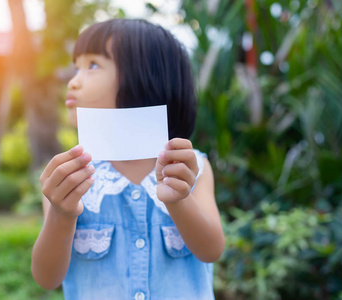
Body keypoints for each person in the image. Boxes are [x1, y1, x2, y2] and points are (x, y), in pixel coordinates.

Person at [31, 18, 225, 300]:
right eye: (77, 67)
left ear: (144, 77)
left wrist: (179, 199)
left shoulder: (191, 167)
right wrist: (62, 214)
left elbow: (212, 250)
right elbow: (47, 278)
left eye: (93, 65)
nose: (72, 81)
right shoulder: (67, 176)